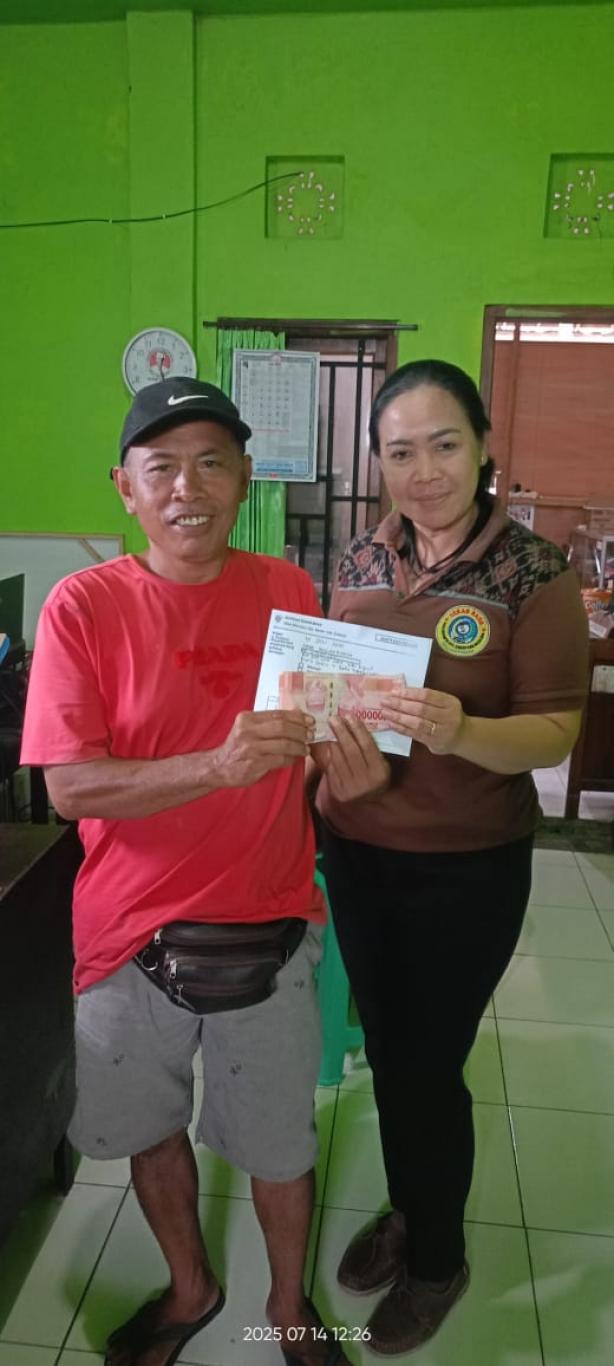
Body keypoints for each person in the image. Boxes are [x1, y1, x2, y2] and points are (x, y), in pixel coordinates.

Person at [20, 377, 349, 1366]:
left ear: (244, 479)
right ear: (125, 488)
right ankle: (191, 1286)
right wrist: (216, 766)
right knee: (149, 1129)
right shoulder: (84, 606)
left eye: (211, 463)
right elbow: (69, 789)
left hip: (271, 920)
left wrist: (351, 764)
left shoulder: (290, 591)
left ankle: (287, 1308)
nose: (186, 487)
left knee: (281, 1144)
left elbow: (318, 750)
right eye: (161, 467)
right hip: (127, 937)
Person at [312, 359, 589, 1356]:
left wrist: (460, 728)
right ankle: (411, 1205)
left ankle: (437, 1257)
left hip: (466, 867)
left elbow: (553, 731)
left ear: (481, 447)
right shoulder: (357, 557)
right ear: (378, 463)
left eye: (443, 445)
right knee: (392, 1052)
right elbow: (327, 686)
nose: (422, 471)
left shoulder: (533, 574)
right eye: (400, 452)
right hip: (356, 851)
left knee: (427, 1064)